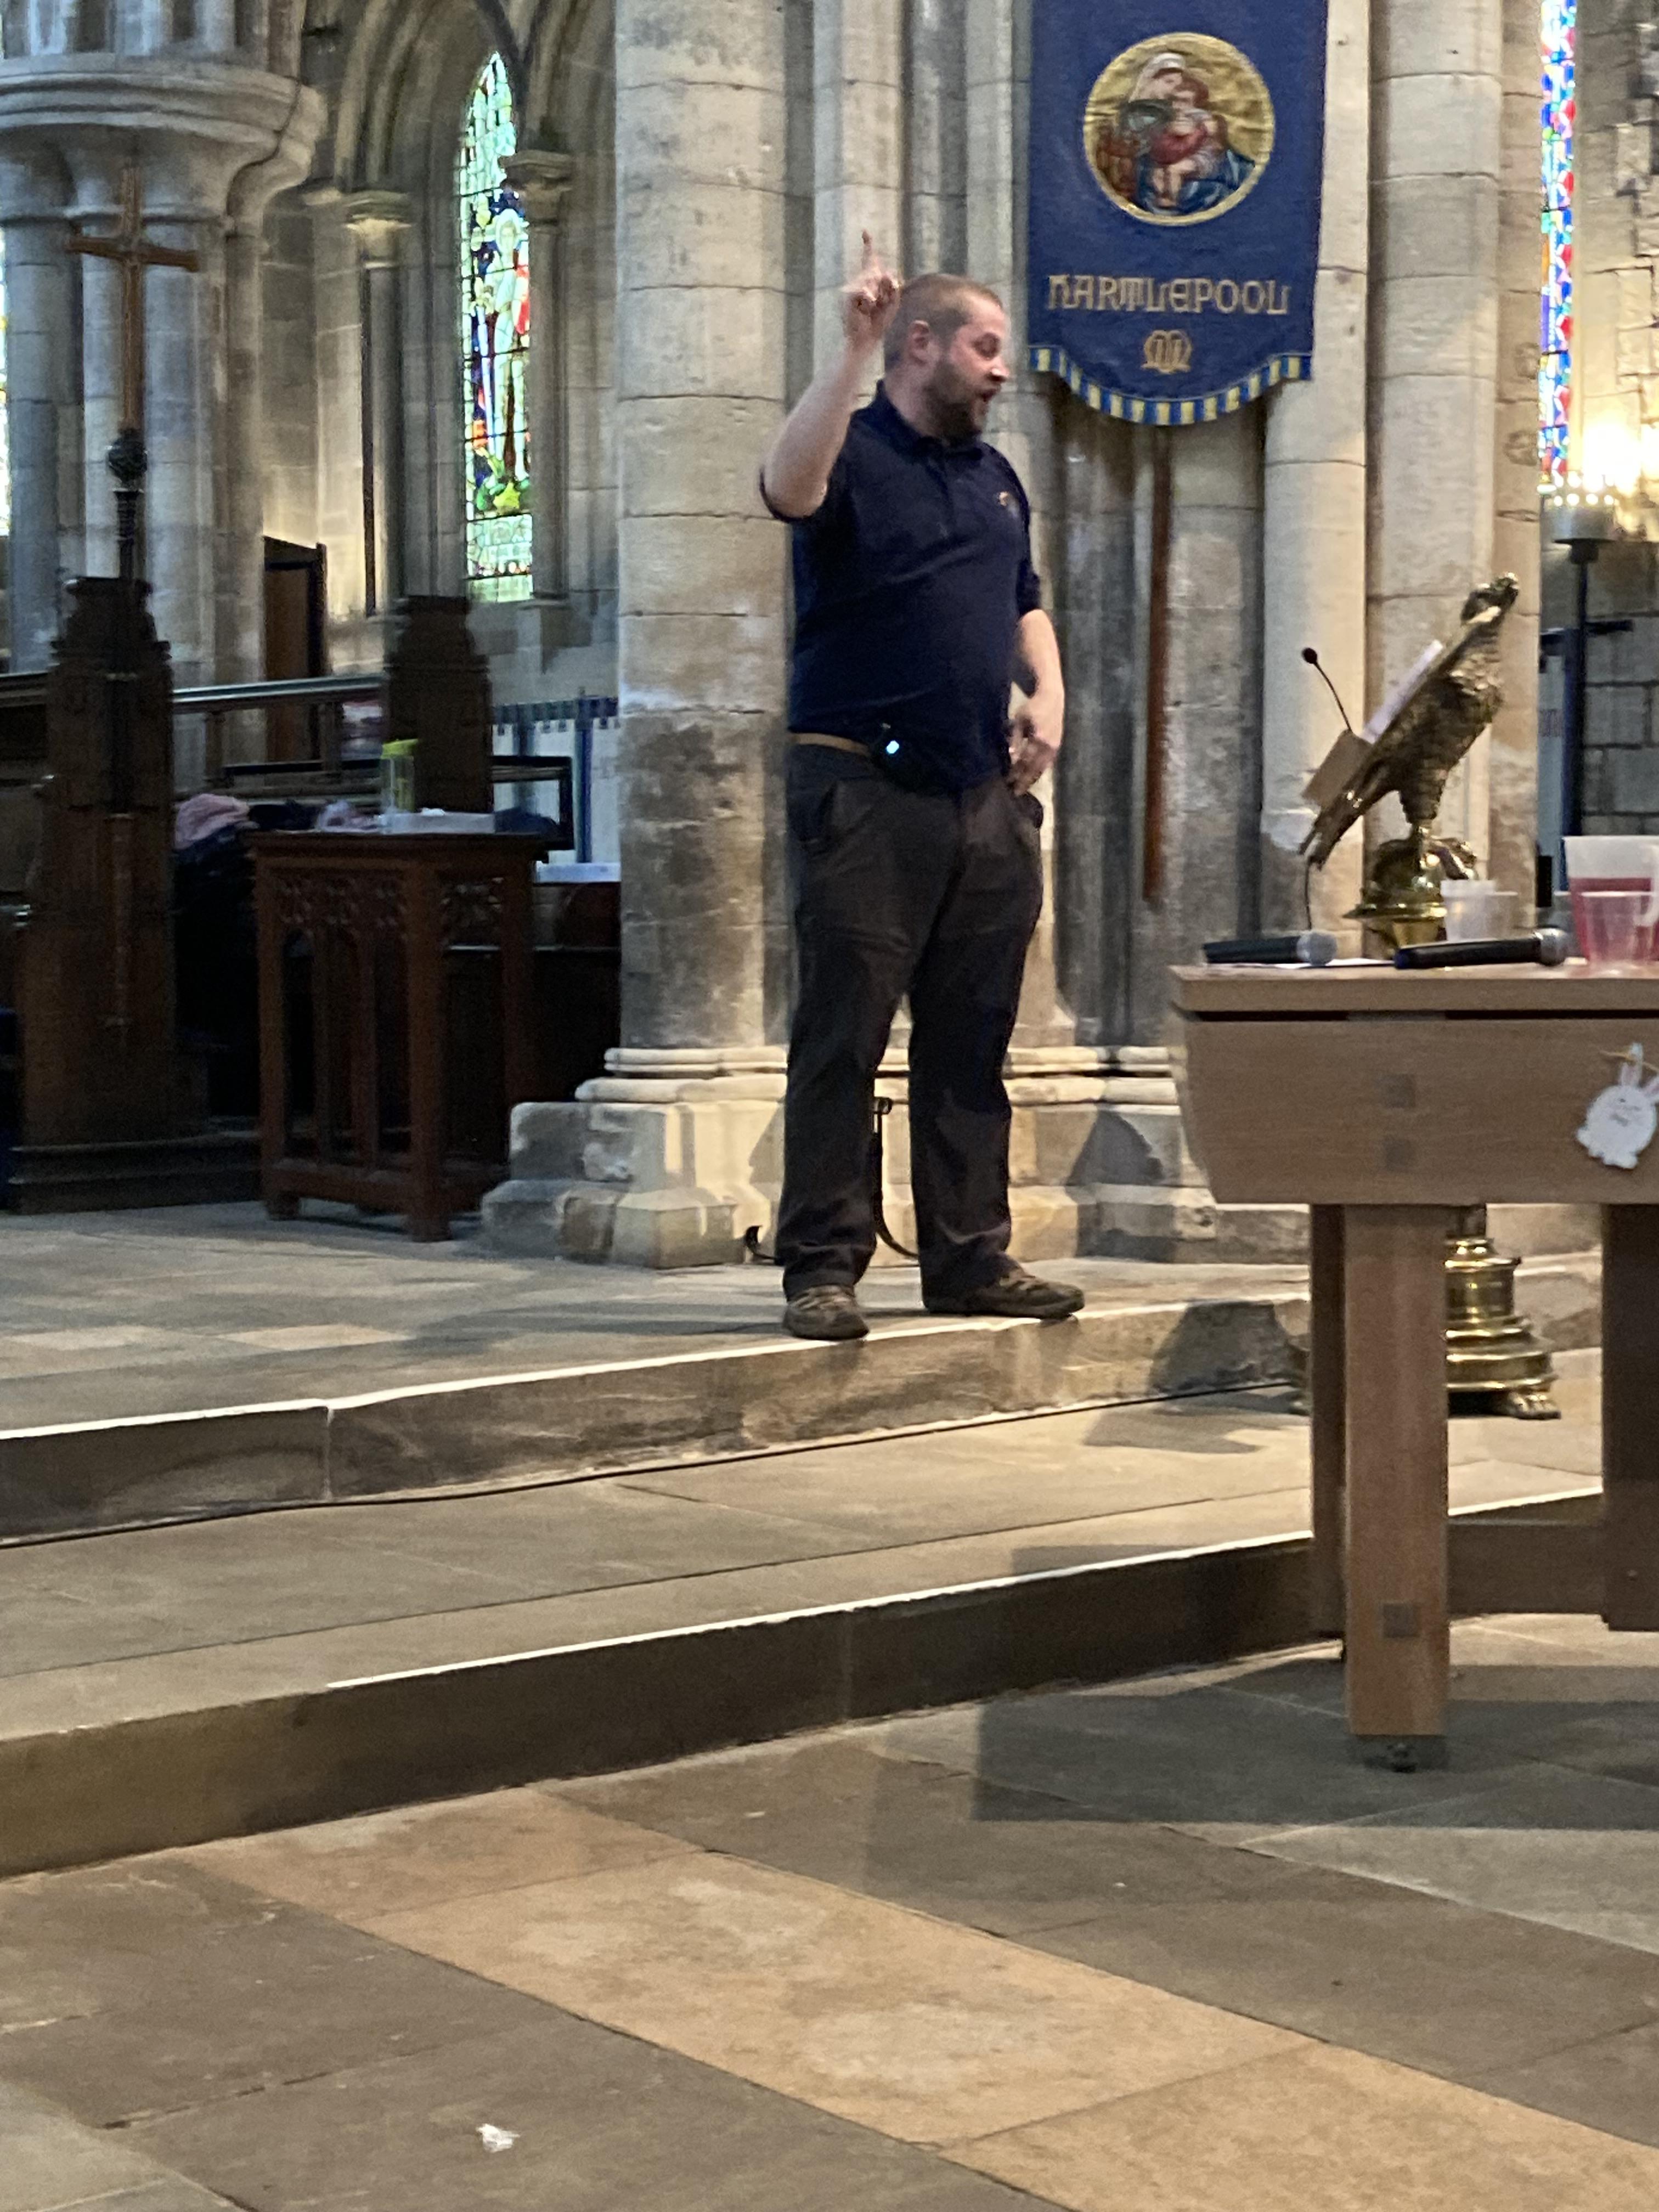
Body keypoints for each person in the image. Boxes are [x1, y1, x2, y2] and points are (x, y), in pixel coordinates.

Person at [759, 236, 1085, 1344]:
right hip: (862, 789)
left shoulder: (995, 478)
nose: (1002, 369)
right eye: (984, 348)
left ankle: (969, 1256)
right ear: (921, 346)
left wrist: (1049, 692)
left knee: (972, 1040)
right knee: (843, 1036)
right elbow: (786, 489)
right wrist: (850, 349)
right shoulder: (850, 449)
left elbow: (1024, 599)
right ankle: (822, 1265)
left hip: (981, 795)